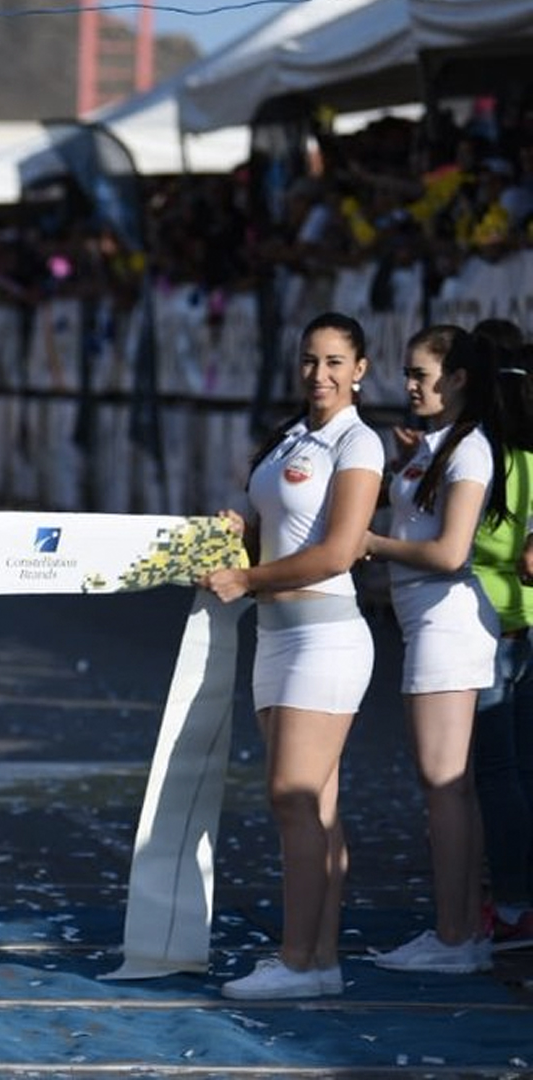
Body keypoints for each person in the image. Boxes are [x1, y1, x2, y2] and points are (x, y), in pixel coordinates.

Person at [200, 312, 384, 1000]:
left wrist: (245, 578)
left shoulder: (359, 443)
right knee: (314, 806)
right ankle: (321, 960)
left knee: (292, 798)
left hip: (326, 637)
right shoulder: (291, 436)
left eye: (336, 362)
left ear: (362, 368)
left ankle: (300, 961)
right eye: (311, 360)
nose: (320, 374)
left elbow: (339, 551)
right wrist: (236, 533)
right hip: (275, 636)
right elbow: (273, 527)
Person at [363, 325, 505, 975]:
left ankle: (455, 939)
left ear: (458, 379)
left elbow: (450, 553)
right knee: (451, 786)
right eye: (409, 373)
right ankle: (460, 933)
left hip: (448, 629)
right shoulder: (438, 445)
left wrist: (371, 543)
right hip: (429, 627)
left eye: (422, 375)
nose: (410, 385)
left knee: (445, 785)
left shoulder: (470, 448)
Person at [470, 325, 533, 951]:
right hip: (523, 622)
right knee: (519, 770)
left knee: (493, 774)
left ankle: (511, 903)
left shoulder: (480, 454)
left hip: (487, 625)